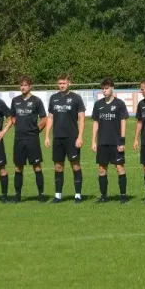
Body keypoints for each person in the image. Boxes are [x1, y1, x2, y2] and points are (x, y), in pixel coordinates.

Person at [45, 74, 86, 204]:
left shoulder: (76, 98)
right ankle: (58, 195)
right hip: (57, 137)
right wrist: (47, 135)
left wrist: (80, 136)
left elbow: (82, 118)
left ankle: (78, 195)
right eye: (60, 83)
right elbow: (50, 117)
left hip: (72, 138)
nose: (62, 85)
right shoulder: (54, 98)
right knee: (58, 166)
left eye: (64, 83)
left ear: (69, 83)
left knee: (75, 165)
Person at [9, 76, 47, 203]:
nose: (23, 87)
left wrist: (36, 130)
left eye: (25, 85)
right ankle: (17, 195)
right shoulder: (15, 100)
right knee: (18, 167)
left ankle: (41, 194)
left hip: (32, 139)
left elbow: (44, 118)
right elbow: (12, 117)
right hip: (19, 138)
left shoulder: (36, 101)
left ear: (30, 86)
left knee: (36, 166)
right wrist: (18, 126)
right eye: (21, 85)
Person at [92, 78, 129, 203]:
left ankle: (123, 196)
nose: (104, 90)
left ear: (112, 88)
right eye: (102, 88)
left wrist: (122, 141)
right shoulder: (98, 104)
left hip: (116, 142)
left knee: (119, 167)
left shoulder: (119, 104)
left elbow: (123, 122)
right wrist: (93, 141)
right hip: (102, 142)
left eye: (106, 88)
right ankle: (103, 196)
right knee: (102, 169)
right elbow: (96, 123)